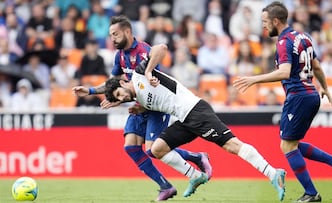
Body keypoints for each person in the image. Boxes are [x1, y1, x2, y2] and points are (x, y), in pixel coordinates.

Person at [103, 44, 287, 201]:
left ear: (123, 83)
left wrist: (150, 69)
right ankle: (196, 176)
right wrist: (140, 109)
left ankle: (273, 173)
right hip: (183, 119)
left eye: (120, 93)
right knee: (156, 149)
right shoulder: (140, 100)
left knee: (232, 145)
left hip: (196, 111)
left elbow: (161, 48)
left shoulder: (139, 74)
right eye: (119, 98)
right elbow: (162, 100)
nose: (122, 97)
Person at [72, 15, 211, 201]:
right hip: (137, 106)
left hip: (154, 107)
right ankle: (165, 186)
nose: (112, 38)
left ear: (127, 32)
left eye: (115, 34)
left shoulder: (144, 52)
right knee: (131, 147)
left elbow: (151, 82)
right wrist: (89, 90)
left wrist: (125, 99)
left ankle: (196, 157)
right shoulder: (119, 56)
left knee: (153, 150)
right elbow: (113, 83)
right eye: (110, 35)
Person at [233, 2, 332, 202]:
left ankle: (312, 193)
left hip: (298, 96)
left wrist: (254, 79)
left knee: (287, 147)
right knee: (291, 144)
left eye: (265, 22)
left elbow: (285, 72)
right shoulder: (304, 37)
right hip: (310, 95)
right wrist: (325, 87)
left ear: (275, 21)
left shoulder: (283, 42)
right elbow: (317, 66)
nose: (263, 26)